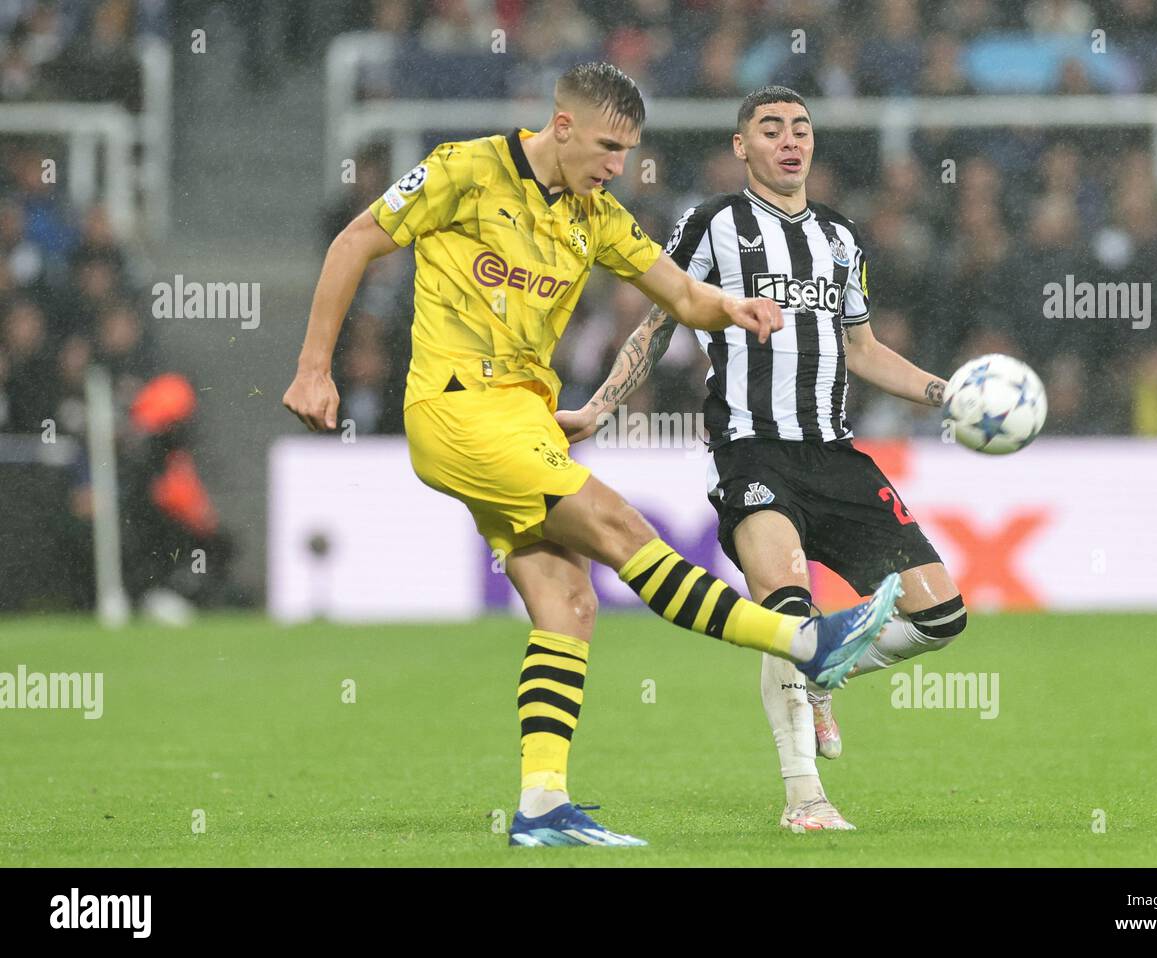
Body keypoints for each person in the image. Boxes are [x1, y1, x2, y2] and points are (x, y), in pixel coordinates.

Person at [282, 65, 902, 847]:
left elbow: (679, 295)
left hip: (530, 418)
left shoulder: (596, 215)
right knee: (619, 526)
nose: (617, 165)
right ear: (563, 125)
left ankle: (542, 805)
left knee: (569, 604)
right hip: (457, 406)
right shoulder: (462, 170)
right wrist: (314, 367)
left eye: (630, 150)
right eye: (608, 146)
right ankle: (804, 642)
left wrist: (731, 307)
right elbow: (355, 242)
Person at [559, 86, 967, 833]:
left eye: (801, 129)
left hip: (835, 454)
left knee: (942, 616)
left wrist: (947, 394)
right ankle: (804, 798)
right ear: (741, 147)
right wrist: (598, 407)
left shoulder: (841, 238)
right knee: (785, 602)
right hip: (750, 449)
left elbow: (863, 350)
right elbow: (659, 322)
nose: (790, 140)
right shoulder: (714, 225)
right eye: (770, 129)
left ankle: (820, 667)